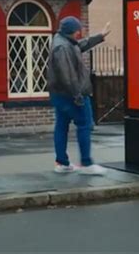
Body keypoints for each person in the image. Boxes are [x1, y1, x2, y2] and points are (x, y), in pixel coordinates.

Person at [48, 16, 110, 175]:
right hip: (71, 95)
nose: (79, 33)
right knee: (84, 125)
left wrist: (100, 37)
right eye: (77, 31)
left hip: (60, 94)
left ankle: (62, 162)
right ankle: (87, 163)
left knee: (61, 126)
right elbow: (68, 76)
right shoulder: (62, 47)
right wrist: (77, 96)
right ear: (71, 32)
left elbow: (80, 45)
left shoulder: (63, 41)